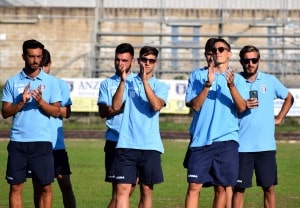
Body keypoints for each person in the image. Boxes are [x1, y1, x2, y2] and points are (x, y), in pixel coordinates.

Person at [184, 38, 247, 208]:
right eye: (214, 49)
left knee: (222, 188)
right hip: (201, 140)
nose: (217, 52)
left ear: (229, 54)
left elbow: (242, 108)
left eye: (221, 49)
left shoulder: (239, 80)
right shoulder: (197, 76)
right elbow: (195, 106)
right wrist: (208, 84)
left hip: (227, 141)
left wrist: (232, 85)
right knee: (193, 187)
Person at [1, 39, 61, 208]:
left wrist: (41, 101)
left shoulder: (51, 82)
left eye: (39, 56)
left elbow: (56, 111)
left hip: (42, 142)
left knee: (45, 187)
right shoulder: (13, 82)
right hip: (18, 142)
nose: (35, 60)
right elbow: (5, 112)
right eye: (31, 56)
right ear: (23, 56)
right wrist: (20, 102)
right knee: (15, 187)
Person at [232, 45, 294, 208]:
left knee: (268, 188)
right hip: (241, 146)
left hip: (265, 146)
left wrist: (279, 118)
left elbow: (289, 98)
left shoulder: (270, 81)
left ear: (259, 61)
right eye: (246, 60)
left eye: (254, 60)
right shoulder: (235, 82)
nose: (250, 63)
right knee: (238, 189)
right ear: (241, 61)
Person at [112, 46, 169, 208]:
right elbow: (115, 106)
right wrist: (123, 82)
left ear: (155, 63)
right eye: (144, 59)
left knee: (146, 190)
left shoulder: (160, 86)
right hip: (126, 144)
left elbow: (156, 106)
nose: (147, 63)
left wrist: (144, 81)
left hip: (150, 145)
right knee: (122, 189)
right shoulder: (127, 82)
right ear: (138, 61)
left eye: (151, 61)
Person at [32, 49, 76, 208]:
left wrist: (47, 106)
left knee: (65, 184)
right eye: (39, 65)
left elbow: (66, 112)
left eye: (44, 65)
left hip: (56, 145)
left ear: (49, 65)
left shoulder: (59, 84)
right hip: (36, 143)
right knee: (40, 186)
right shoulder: (30, 83)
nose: (41, 69)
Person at [97, 43, 137, 208]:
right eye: (117, 59)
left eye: (124, 60)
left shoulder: (140, 82)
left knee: (132, 186)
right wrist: (121, 107)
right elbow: (103, 111)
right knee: (119, 190)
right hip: (116, 141)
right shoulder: (107, 84)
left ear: (132, 62)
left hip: (137, 141)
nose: (120, 63)